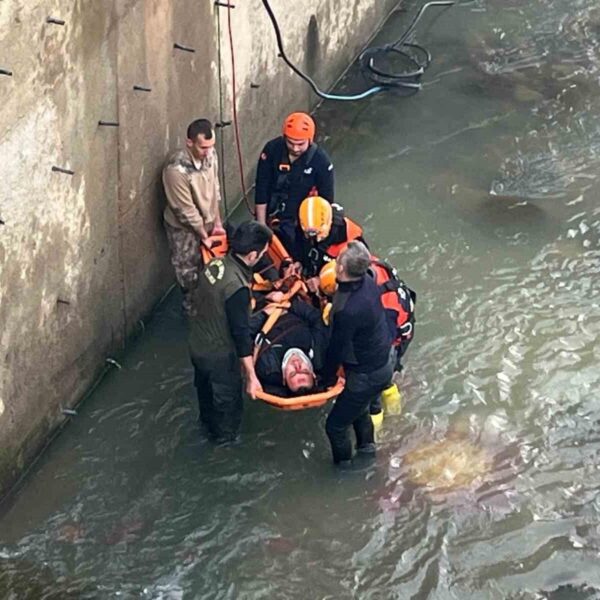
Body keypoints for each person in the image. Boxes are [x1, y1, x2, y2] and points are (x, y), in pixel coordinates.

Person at [189, 221, 272, 444]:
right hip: (220, 358)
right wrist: (251, 377)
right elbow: (240, 334)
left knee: (206, 401)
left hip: (198, 346)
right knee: (228, 410)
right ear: (253, 255)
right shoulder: (238, 288)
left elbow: (217, 302)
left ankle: (206, 430)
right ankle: (225, 444)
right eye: (263, 252)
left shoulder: (215, 265)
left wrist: (262, 301)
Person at [322, 241, 394, 465]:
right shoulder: (368, 281)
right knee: (360, 410)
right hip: (382, 361)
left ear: (341, 269)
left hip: (366, 374)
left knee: (335, 426)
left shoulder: (348, 310)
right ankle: (367, 450)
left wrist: (326, 378)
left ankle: (344, 468)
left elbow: (337, 348)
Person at [162, 119, 226, 314]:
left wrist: (217, 222)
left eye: (211, 146)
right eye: (203, 147)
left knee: (214, 265)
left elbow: (214, 187)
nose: (208, 151)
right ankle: (192, 309)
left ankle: (212, 303)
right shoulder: (176, 170)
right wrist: (203, 235)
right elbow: (185, 210)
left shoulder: (210, 155)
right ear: (189, 142)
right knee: (188, 271)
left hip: (208, 220)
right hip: (184, 229)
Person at [254, 112, 334, 258]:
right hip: (272, 214)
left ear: (310, 140)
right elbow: (261, 188)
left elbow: (326, 202)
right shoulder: (272, 150)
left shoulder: (321, 162)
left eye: (300, 144)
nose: (295, 148)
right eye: (290, 143)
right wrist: (261, 226)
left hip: (300, 223)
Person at [250, 293, 330, 396]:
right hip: (292, 301)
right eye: (304, 371)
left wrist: (264, 312)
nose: (297, 365)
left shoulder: (267, 367)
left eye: (293, 373)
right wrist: (290, 304)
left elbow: (245, 335)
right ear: (313, 373)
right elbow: (316, 319)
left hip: (260, 308)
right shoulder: (319, 352)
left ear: (284, 379)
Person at [296, 195, 365, 291]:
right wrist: (298, 261)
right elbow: (302, 245)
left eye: (317, 234)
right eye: (308, 234)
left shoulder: (351, 242)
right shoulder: (306, 225)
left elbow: (354, 276)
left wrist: (322, 281)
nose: (315, 238)